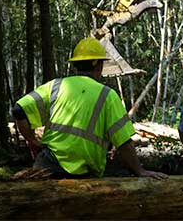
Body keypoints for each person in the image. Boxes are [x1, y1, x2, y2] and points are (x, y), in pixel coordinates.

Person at [12, 37, 167, 179]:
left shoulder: (56, 86)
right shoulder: (107, 96)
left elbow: (19, 110)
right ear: (99, 64)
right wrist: (140, 171)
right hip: (85, 174)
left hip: (46, 167)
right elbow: (124, 143)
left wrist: (33, 141)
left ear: (75, 64)